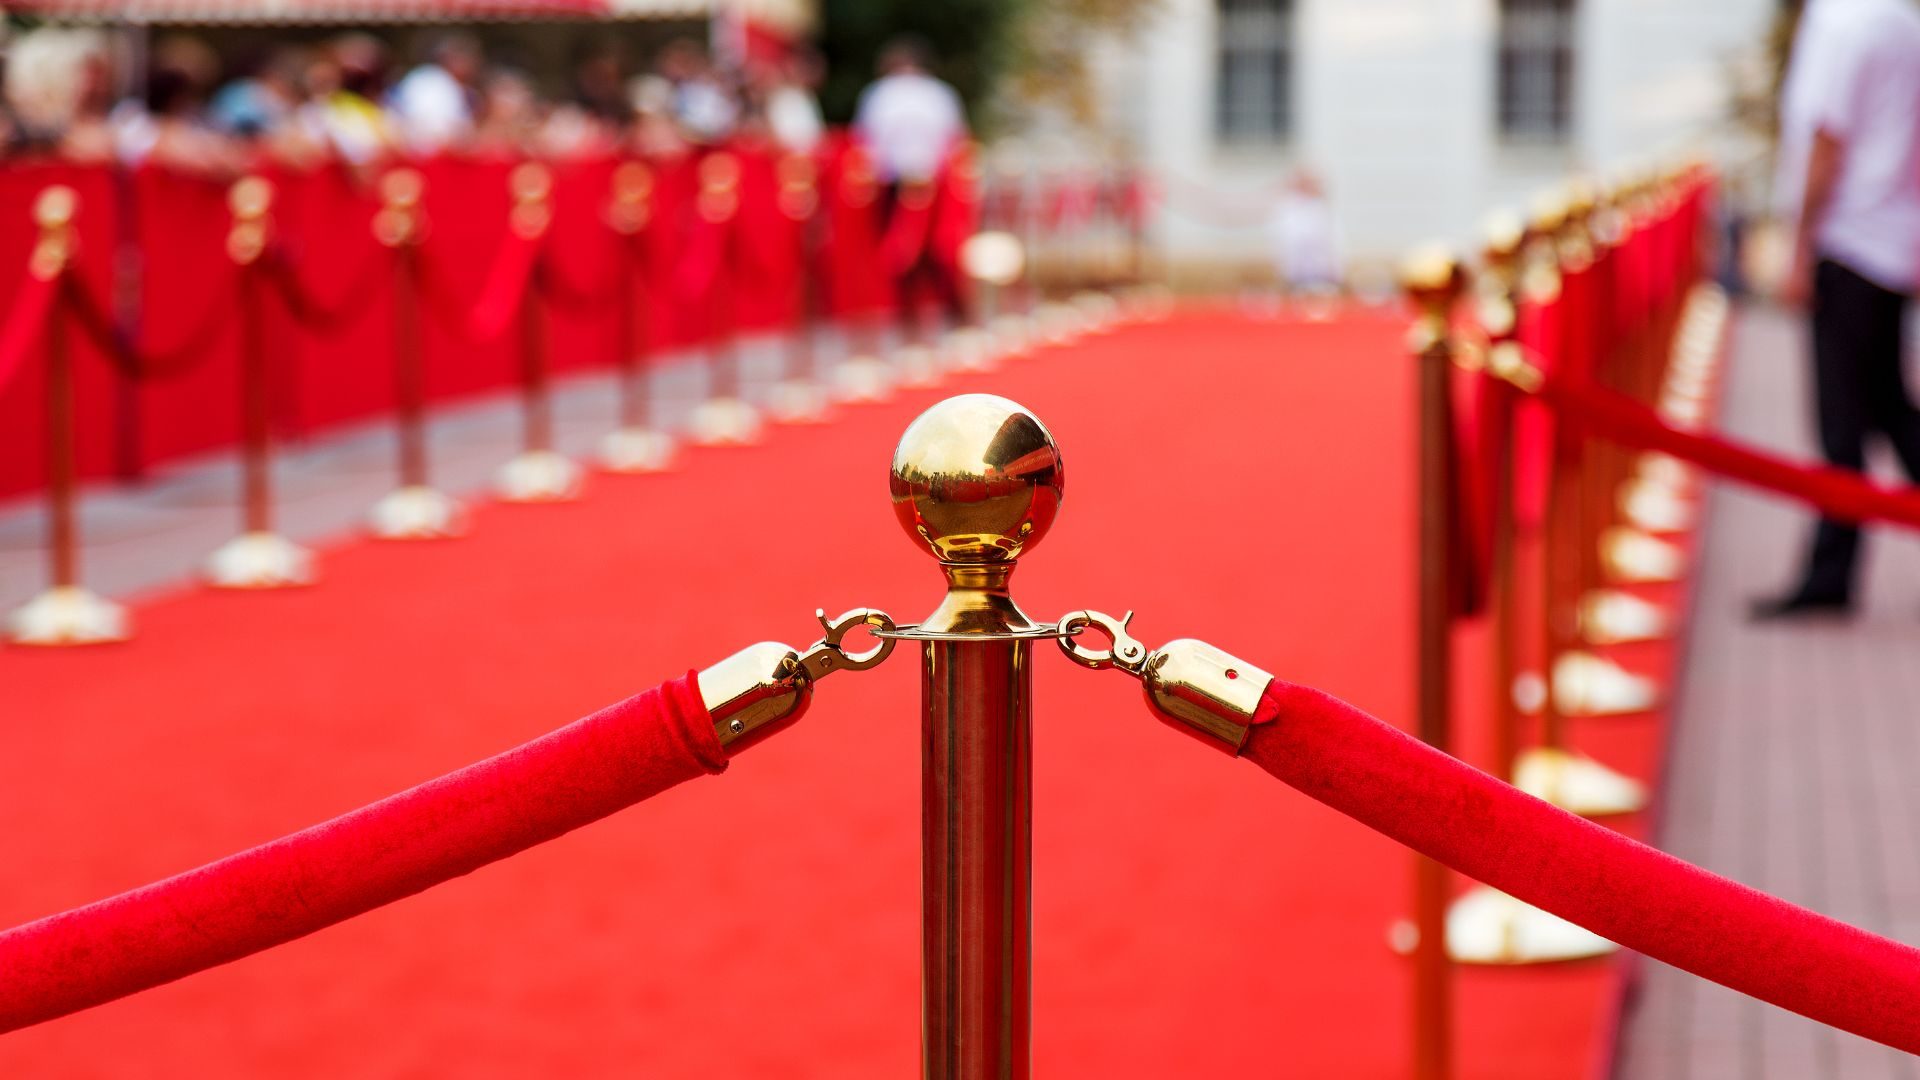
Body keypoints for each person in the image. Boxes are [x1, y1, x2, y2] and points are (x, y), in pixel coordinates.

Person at [1753, 0, 1920, 619]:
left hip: (1849, 240)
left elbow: (1827, 137)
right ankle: (1831, 568)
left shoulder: (1842, 23)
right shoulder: (1903, 23)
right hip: (1890, 238)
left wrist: (1798, 248)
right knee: (1887, 408)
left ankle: (1831, 573)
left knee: (1845, 420)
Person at [853, 36, 971, 334]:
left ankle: (946, 309)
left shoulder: (931, 95)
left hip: (929, 182)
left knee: (936, 248)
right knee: (901, 250)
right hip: (898, 180)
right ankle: (911, 312)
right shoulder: (884, 94)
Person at [388, 33, 482, 154]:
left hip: (443, 153)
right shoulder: (428, 81)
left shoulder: (459, 86)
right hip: (425, 154)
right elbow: (425, 125)